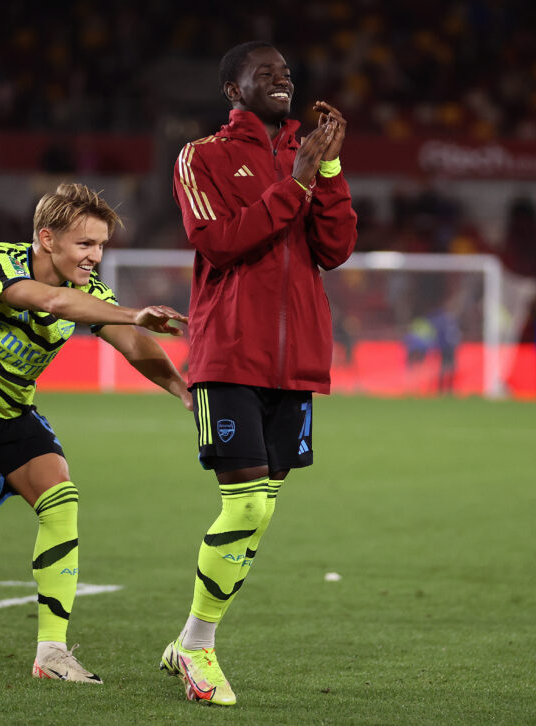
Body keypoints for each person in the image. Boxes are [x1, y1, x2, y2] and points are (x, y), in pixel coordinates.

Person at [0, 183, 191, 682]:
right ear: (47, 239)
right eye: (85, 244)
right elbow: (52, 301)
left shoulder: (89, 290)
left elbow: (134, 345)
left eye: (100, 245)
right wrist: (131, 312)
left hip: (8, 412)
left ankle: (51, 652)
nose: (95, 256)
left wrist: (180, 388)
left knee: (61, 500)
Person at [163, 41, 358, 706]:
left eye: (287, 74)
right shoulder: (202, 157)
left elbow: (335, 247)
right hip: (228, 355)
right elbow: (219, 242)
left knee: (261, 510)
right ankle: (198, 645)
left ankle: (188, 640)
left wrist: (328, 169)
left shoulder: (308, 153)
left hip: (296, 361)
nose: (282, 81)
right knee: (245, 504)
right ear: (232, 89)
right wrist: (297, 181)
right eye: (265, 73)